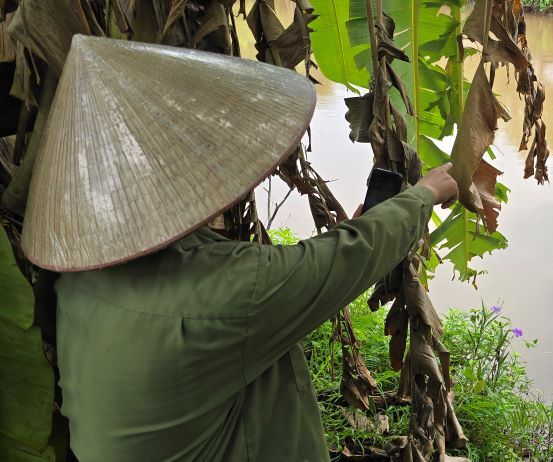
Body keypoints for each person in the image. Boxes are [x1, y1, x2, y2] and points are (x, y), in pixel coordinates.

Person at [19, 36, 457, 461]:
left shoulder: (79, 275)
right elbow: (332, 266)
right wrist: (425, 194)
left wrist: (366, 225)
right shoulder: (223, 296)